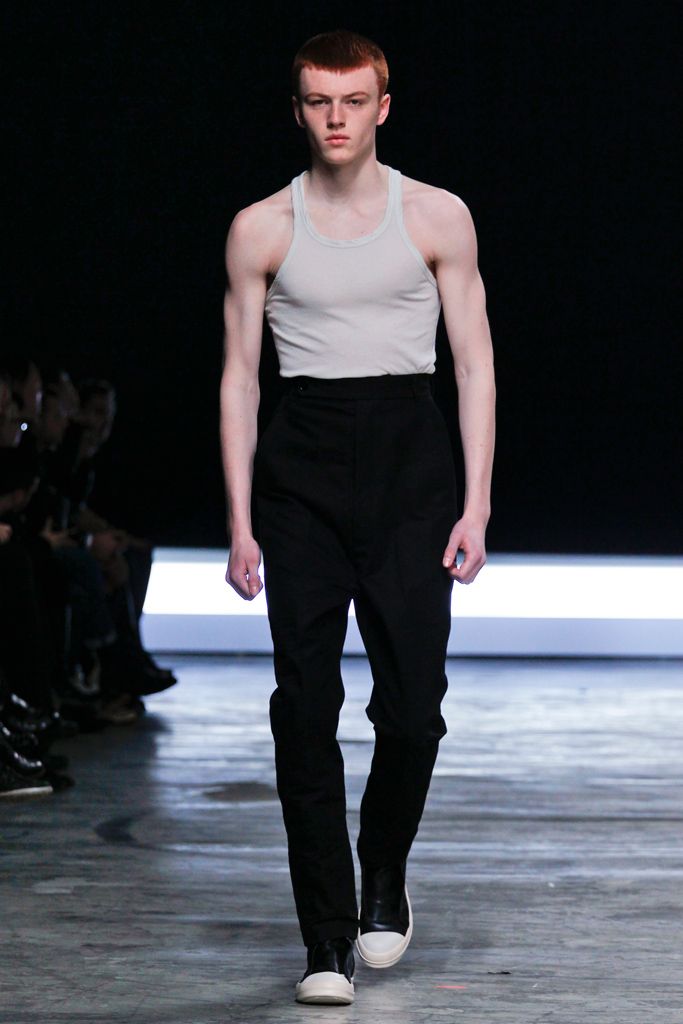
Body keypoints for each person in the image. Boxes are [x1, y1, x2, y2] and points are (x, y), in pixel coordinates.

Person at [220, 29, 495, 1006]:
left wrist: (475, 502)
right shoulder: (261, 227)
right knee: (303, 707)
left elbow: (472, 363)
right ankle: (326, 939)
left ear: (382, 106)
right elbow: (241, 377)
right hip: (299, 470)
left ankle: (382, 868)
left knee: (412, 705)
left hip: (409, 464)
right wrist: (240, 520)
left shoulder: (435, 215)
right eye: (317, 101)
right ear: (296, 110)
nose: (334, 118)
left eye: (351, 100)